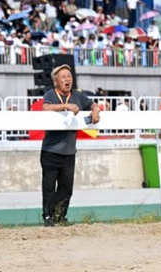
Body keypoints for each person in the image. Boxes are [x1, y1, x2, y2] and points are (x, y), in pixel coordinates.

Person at [40, 64, 101, 227]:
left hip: (69, 152)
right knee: (49, 188)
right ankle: (48, 217)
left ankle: (61, 217)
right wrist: (65, 106)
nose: (67, 79)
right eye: (63, 77)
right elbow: (45, 107)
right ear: (56, 82)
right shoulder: (50, 94)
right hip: (50, 151)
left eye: (69, 76)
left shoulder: (78, 95)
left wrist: (96, 110)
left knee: (66, 189)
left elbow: (92, 104)